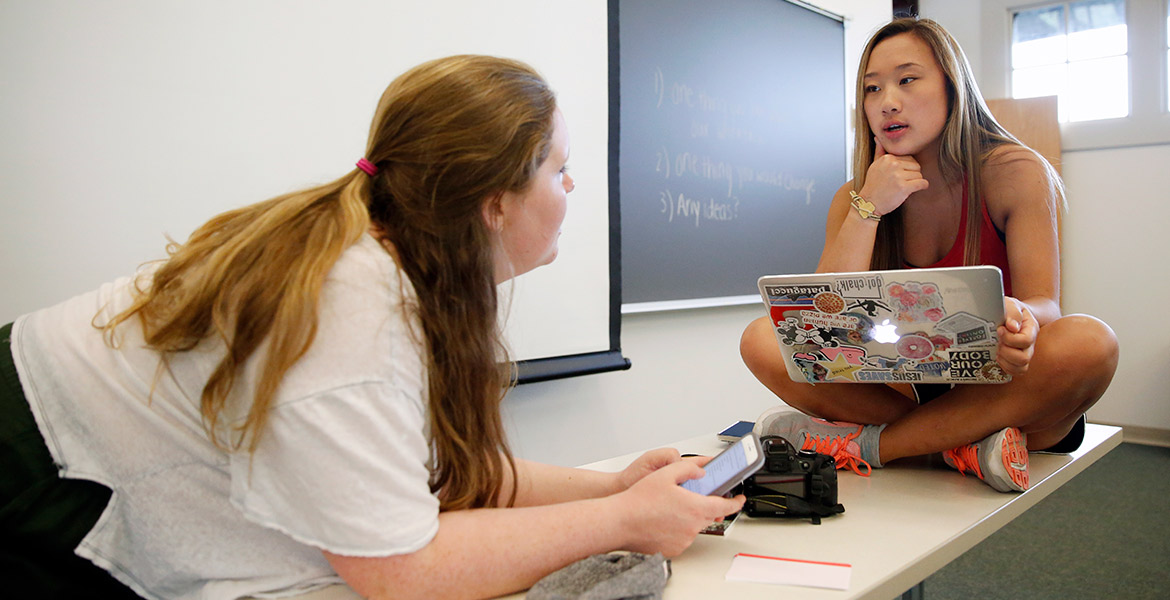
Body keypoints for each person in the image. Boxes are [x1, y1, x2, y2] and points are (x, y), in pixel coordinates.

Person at [1, 55, 744, 600]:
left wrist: (608, 488)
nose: (572, 187)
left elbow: (434, 476)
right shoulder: (354, 311)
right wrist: (621, 521)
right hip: (33, 465)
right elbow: (400, 570)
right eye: (558, 168)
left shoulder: (396, 267)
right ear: (495, 202)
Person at [740, 18, 1119, 493]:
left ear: (952, 87)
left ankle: (875, 447)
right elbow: (820, 325)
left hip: (1005, 390)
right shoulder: (854, 197)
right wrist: (869, 208)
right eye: (872, 89)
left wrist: (1018, 318)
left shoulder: (1015, 172)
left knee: (1090, 343)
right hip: (905, 389)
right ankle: (961, 445)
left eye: (907, 79)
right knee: (760, 339)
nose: (887, 102)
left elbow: (1045, 303)